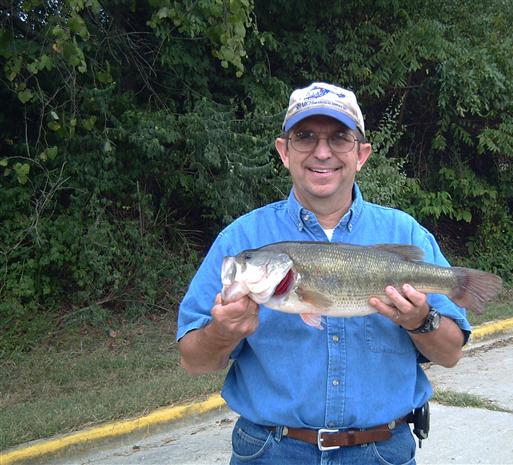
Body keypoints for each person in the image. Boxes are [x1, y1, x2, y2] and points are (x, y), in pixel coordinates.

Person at [177, 82, 470, 465]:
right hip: (270, 452)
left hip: (382, 453)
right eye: (305, 137)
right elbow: (194, 360)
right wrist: (223, 332)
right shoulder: (241, 238)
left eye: (339, 138)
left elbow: (450, 354)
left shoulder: (405, 233)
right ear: (284, 151)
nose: (321, 151)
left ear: (361, 154)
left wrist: (421, 319)